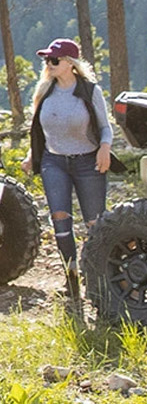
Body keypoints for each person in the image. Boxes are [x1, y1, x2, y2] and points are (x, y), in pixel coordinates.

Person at [21, 38, 119, 296]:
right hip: (54, 162)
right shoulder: (44, 90)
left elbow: (105, 127)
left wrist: (105, 149)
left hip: (88, 162)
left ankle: (99, 275)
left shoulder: (89, 91)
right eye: (47, 60)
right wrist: (33, 155)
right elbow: (40, 131)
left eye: (54, 60)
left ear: (70, 64)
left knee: (94, 223)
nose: (49, 64)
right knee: (59, 218)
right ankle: (71, 274)